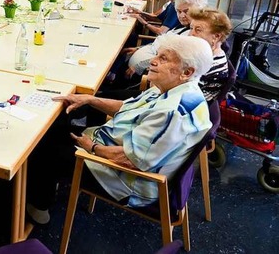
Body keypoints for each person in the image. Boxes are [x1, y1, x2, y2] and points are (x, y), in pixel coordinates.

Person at [26, 34, 213, 224]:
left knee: (42, 148)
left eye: (163, 59)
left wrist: (91, 148)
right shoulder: (172, 87)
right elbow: (128, 107)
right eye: (157, 55)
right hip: (114, 145)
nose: (153, 61)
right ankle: (47, 185)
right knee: (56, 128)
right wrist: (90, 99)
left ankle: (37, 209)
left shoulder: (172, 112)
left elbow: (132, 161)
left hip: (126, 181)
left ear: (187, 72)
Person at [124, 0, 208, 78]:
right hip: (143, 62)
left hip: (147, 74)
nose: (182, 15)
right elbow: (162, 41)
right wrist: (138, 48)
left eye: (186, 11)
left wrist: (139, 66)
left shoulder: (192, 34)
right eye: (178, 12)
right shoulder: (182, 26)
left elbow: (170, 59)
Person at [188, 7, 233, 102]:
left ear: (216, 36)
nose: (191, 34)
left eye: (198, 30)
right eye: (191, 28)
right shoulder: (203, 54)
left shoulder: (210, 65)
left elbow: (184, 97)